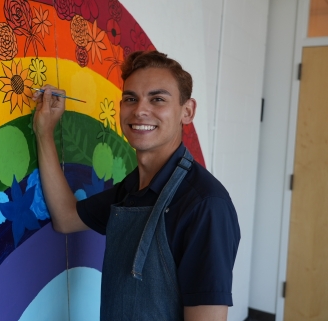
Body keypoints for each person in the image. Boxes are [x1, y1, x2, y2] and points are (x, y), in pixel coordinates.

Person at [32, 50, 240, 321]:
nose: (140, 110)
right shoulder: (132, 190)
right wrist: (44, 132)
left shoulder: (205, 205)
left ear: (187, 112)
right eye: (130, 98)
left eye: (157, 99)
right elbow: (66, 217)